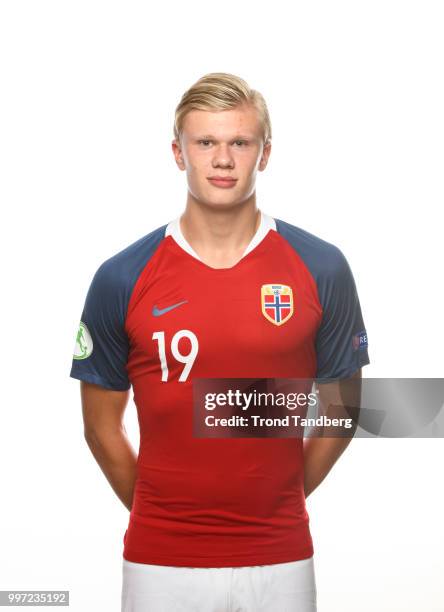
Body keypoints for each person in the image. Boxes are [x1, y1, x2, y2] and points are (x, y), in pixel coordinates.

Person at [70, 72, 370, 612]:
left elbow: (342, 409)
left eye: (240, 142)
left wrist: (279, 500)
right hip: (159, 562)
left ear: (266, 152)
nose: (223, 159)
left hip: (281, 559)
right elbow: (99, 426)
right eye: (205, 142)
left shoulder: (321, 267)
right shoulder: (122, 277)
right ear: (178, 153)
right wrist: (163, 514)